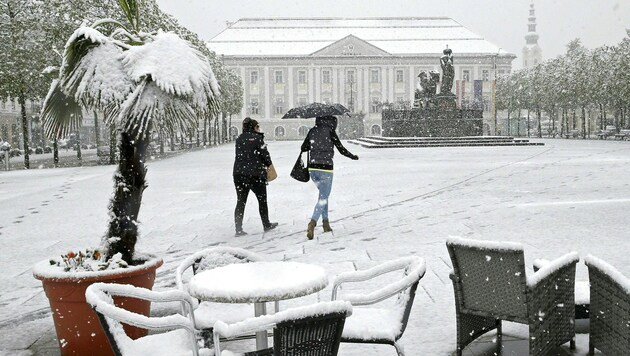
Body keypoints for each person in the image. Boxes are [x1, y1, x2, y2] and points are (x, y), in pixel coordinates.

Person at [300, 115, 359, 240]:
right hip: (326, 168)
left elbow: (303, 147)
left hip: (313, 168)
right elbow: (341, 149)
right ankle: (313, 222)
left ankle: (326, 224)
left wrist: (314, 146)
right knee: (323, 197)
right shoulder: (330, 131)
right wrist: (352, 156)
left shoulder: (312, 130)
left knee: (323, 196)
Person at [233, 117, 278, 236]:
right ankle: (266, 224)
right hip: (255, 174)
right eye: (257, 126)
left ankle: (238, 228)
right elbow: (265, 156)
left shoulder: (239, 139)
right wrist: (269, 165)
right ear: (254, 127)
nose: (259, 128)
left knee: (241, 201)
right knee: (262, 200)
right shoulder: (258, 139)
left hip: (239, 174)